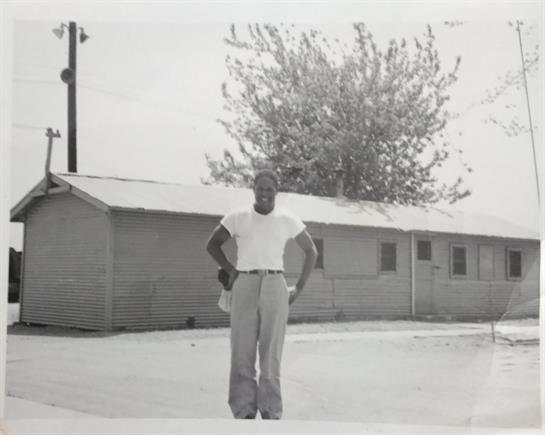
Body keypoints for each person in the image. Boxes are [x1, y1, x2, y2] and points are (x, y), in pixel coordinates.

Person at [206, 169, 318, 420]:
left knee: (271, 354)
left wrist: (298, 287)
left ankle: (270, 413)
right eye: (261, 188)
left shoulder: (287, 218)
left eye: (270, 189)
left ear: (276, 191)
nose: (265, 194)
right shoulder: (238, 217)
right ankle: (243, 413)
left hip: (275, 283)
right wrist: (230, 269)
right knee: (241, 353)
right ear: (253, 189)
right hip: (244, 284)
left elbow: (311, 250)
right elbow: (212, 244)